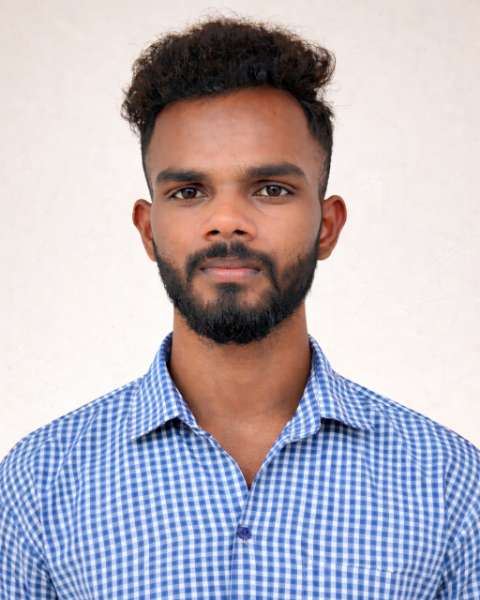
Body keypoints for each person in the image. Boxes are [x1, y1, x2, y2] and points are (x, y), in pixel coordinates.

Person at [1, 15, 478, 599]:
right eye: (188, 192)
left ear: (327, 226)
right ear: (148, 230)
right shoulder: (39, 483)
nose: (227, 221)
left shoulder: (449, 484)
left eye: (271, 189)